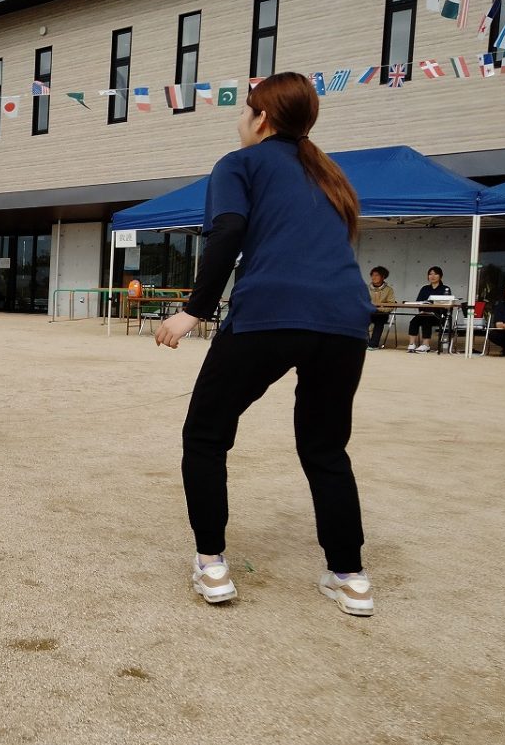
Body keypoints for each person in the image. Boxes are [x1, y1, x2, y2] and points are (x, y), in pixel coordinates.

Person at [154, 72, 376, 617]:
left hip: (270, 310)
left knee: (206, 433)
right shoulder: (329, 174)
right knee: (325, 447)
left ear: (263, 119)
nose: (240, 120)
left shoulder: (239, 163)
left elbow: (228, 231)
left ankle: (212, 564)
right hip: (345, 317)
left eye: (245, 110)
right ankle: (350, 577)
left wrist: (193, 310)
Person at [407, 266, 453, 354]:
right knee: (414, 320)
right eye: (430, 274)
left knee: (426, 319)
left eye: (435, 274)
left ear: (440, 276)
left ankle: (426, 345)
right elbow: (419, 302)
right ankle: (412, 344)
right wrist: (422, 310)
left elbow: (447, 304)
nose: (432, 276)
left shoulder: (445, 289)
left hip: (439, 316)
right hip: (424, 313)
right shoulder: (424, 288)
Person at [366, 265, 396, 349]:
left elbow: (391, 305)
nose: (373, 277)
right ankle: (364, 342)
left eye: (376, 275)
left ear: (383, 277)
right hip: (368, 312)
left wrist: (378, 309)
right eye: (372, 275)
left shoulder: (389, 290)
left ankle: (373, 344)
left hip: (382, 313)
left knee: (379, 319)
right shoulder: (366, 288)